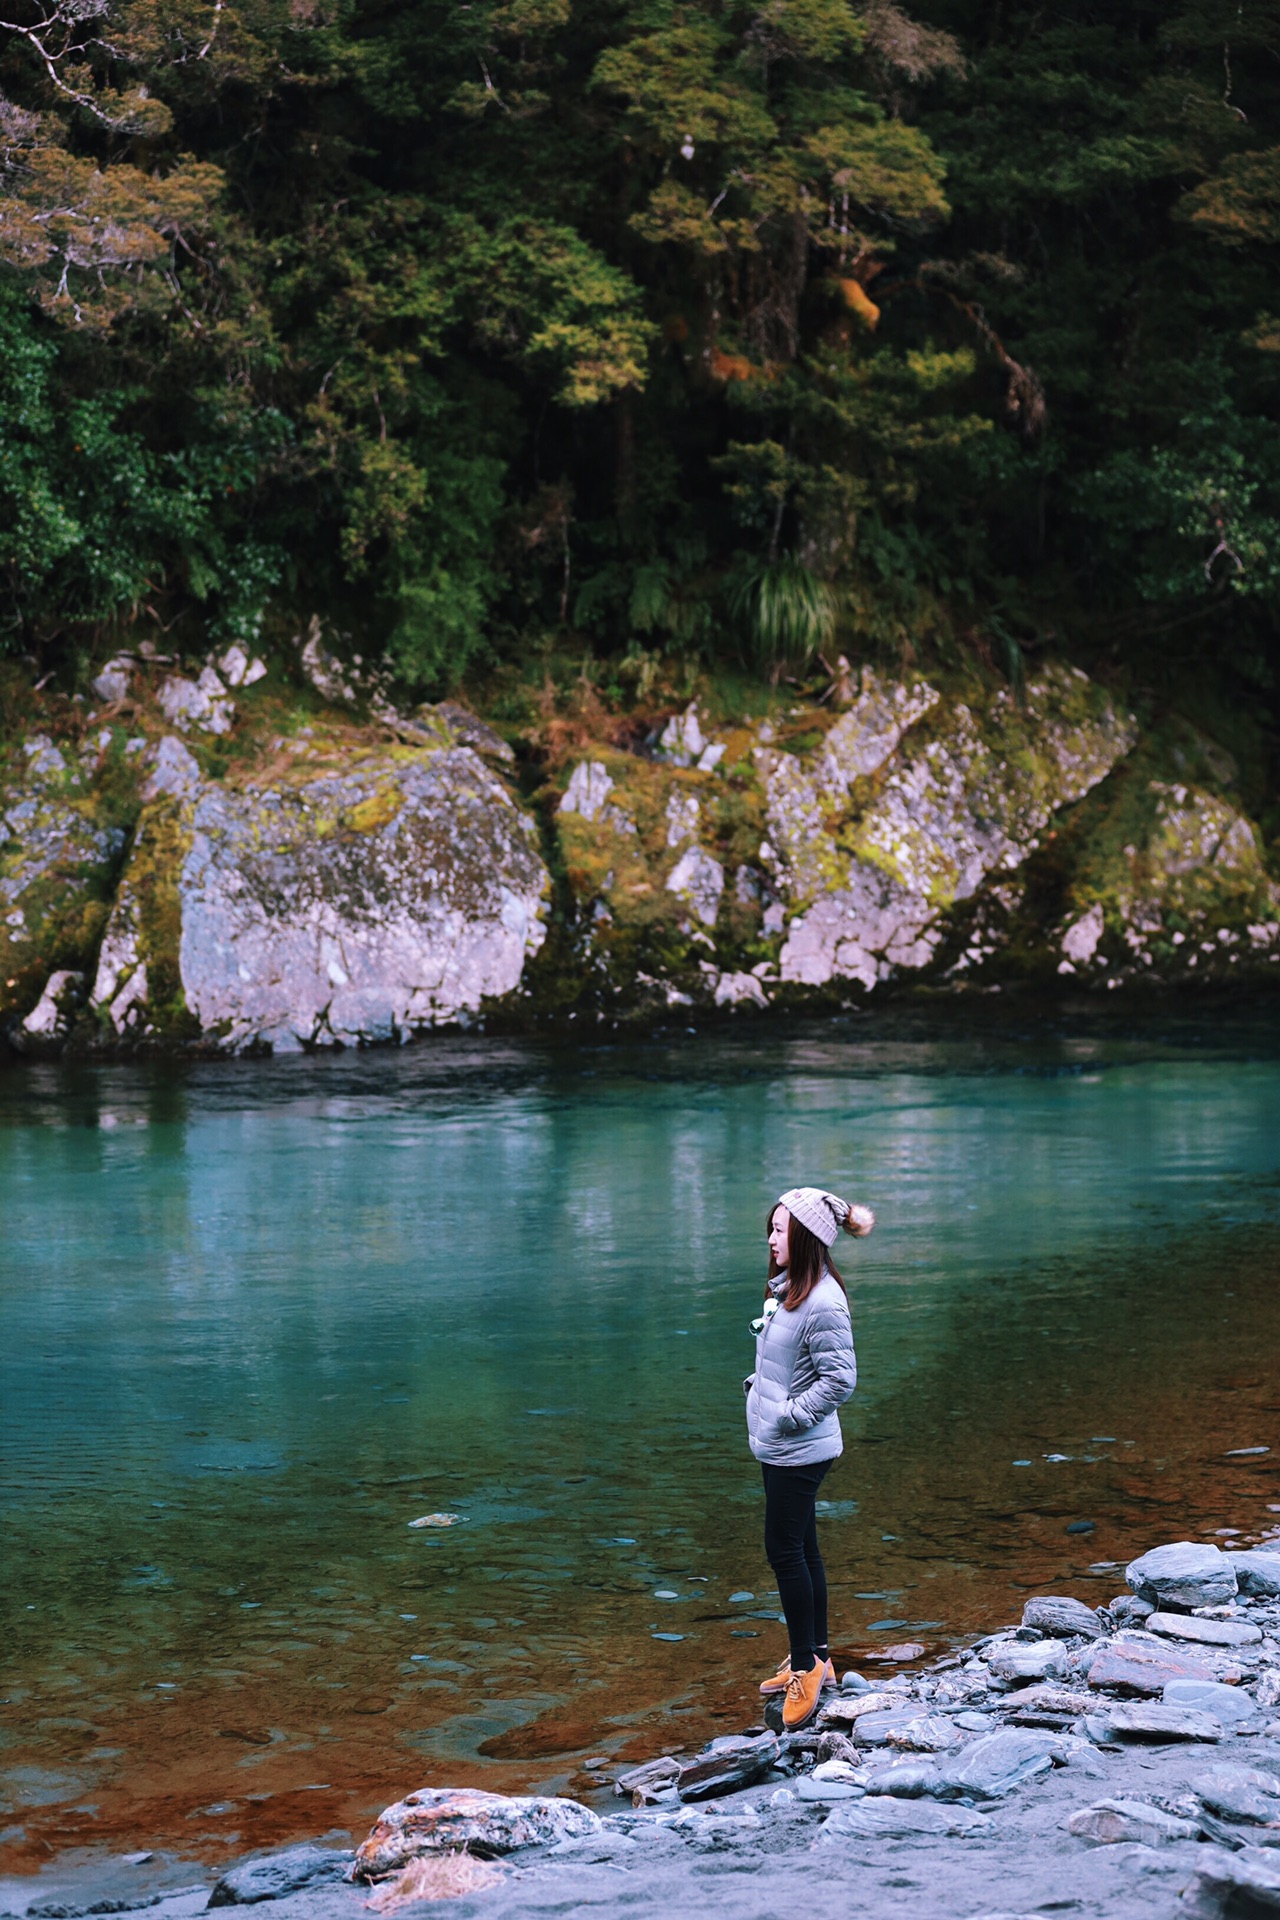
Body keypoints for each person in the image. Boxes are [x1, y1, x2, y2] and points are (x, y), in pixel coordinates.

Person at [743, 1186, 873, 1729]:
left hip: (799, 1445)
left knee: (783, 1551)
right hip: (784, 1440)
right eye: (771, 1228)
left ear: (806, 1237)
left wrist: (790, 1414)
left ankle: (806, 1671)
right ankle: (818, 1657)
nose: (771, 1238)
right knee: (803, 1547)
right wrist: (763, 1389)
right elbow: (789, 1362)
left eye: (779, 1230)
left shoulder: (823, 1300)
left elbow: (841, 1379)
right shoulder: (793, 1287)